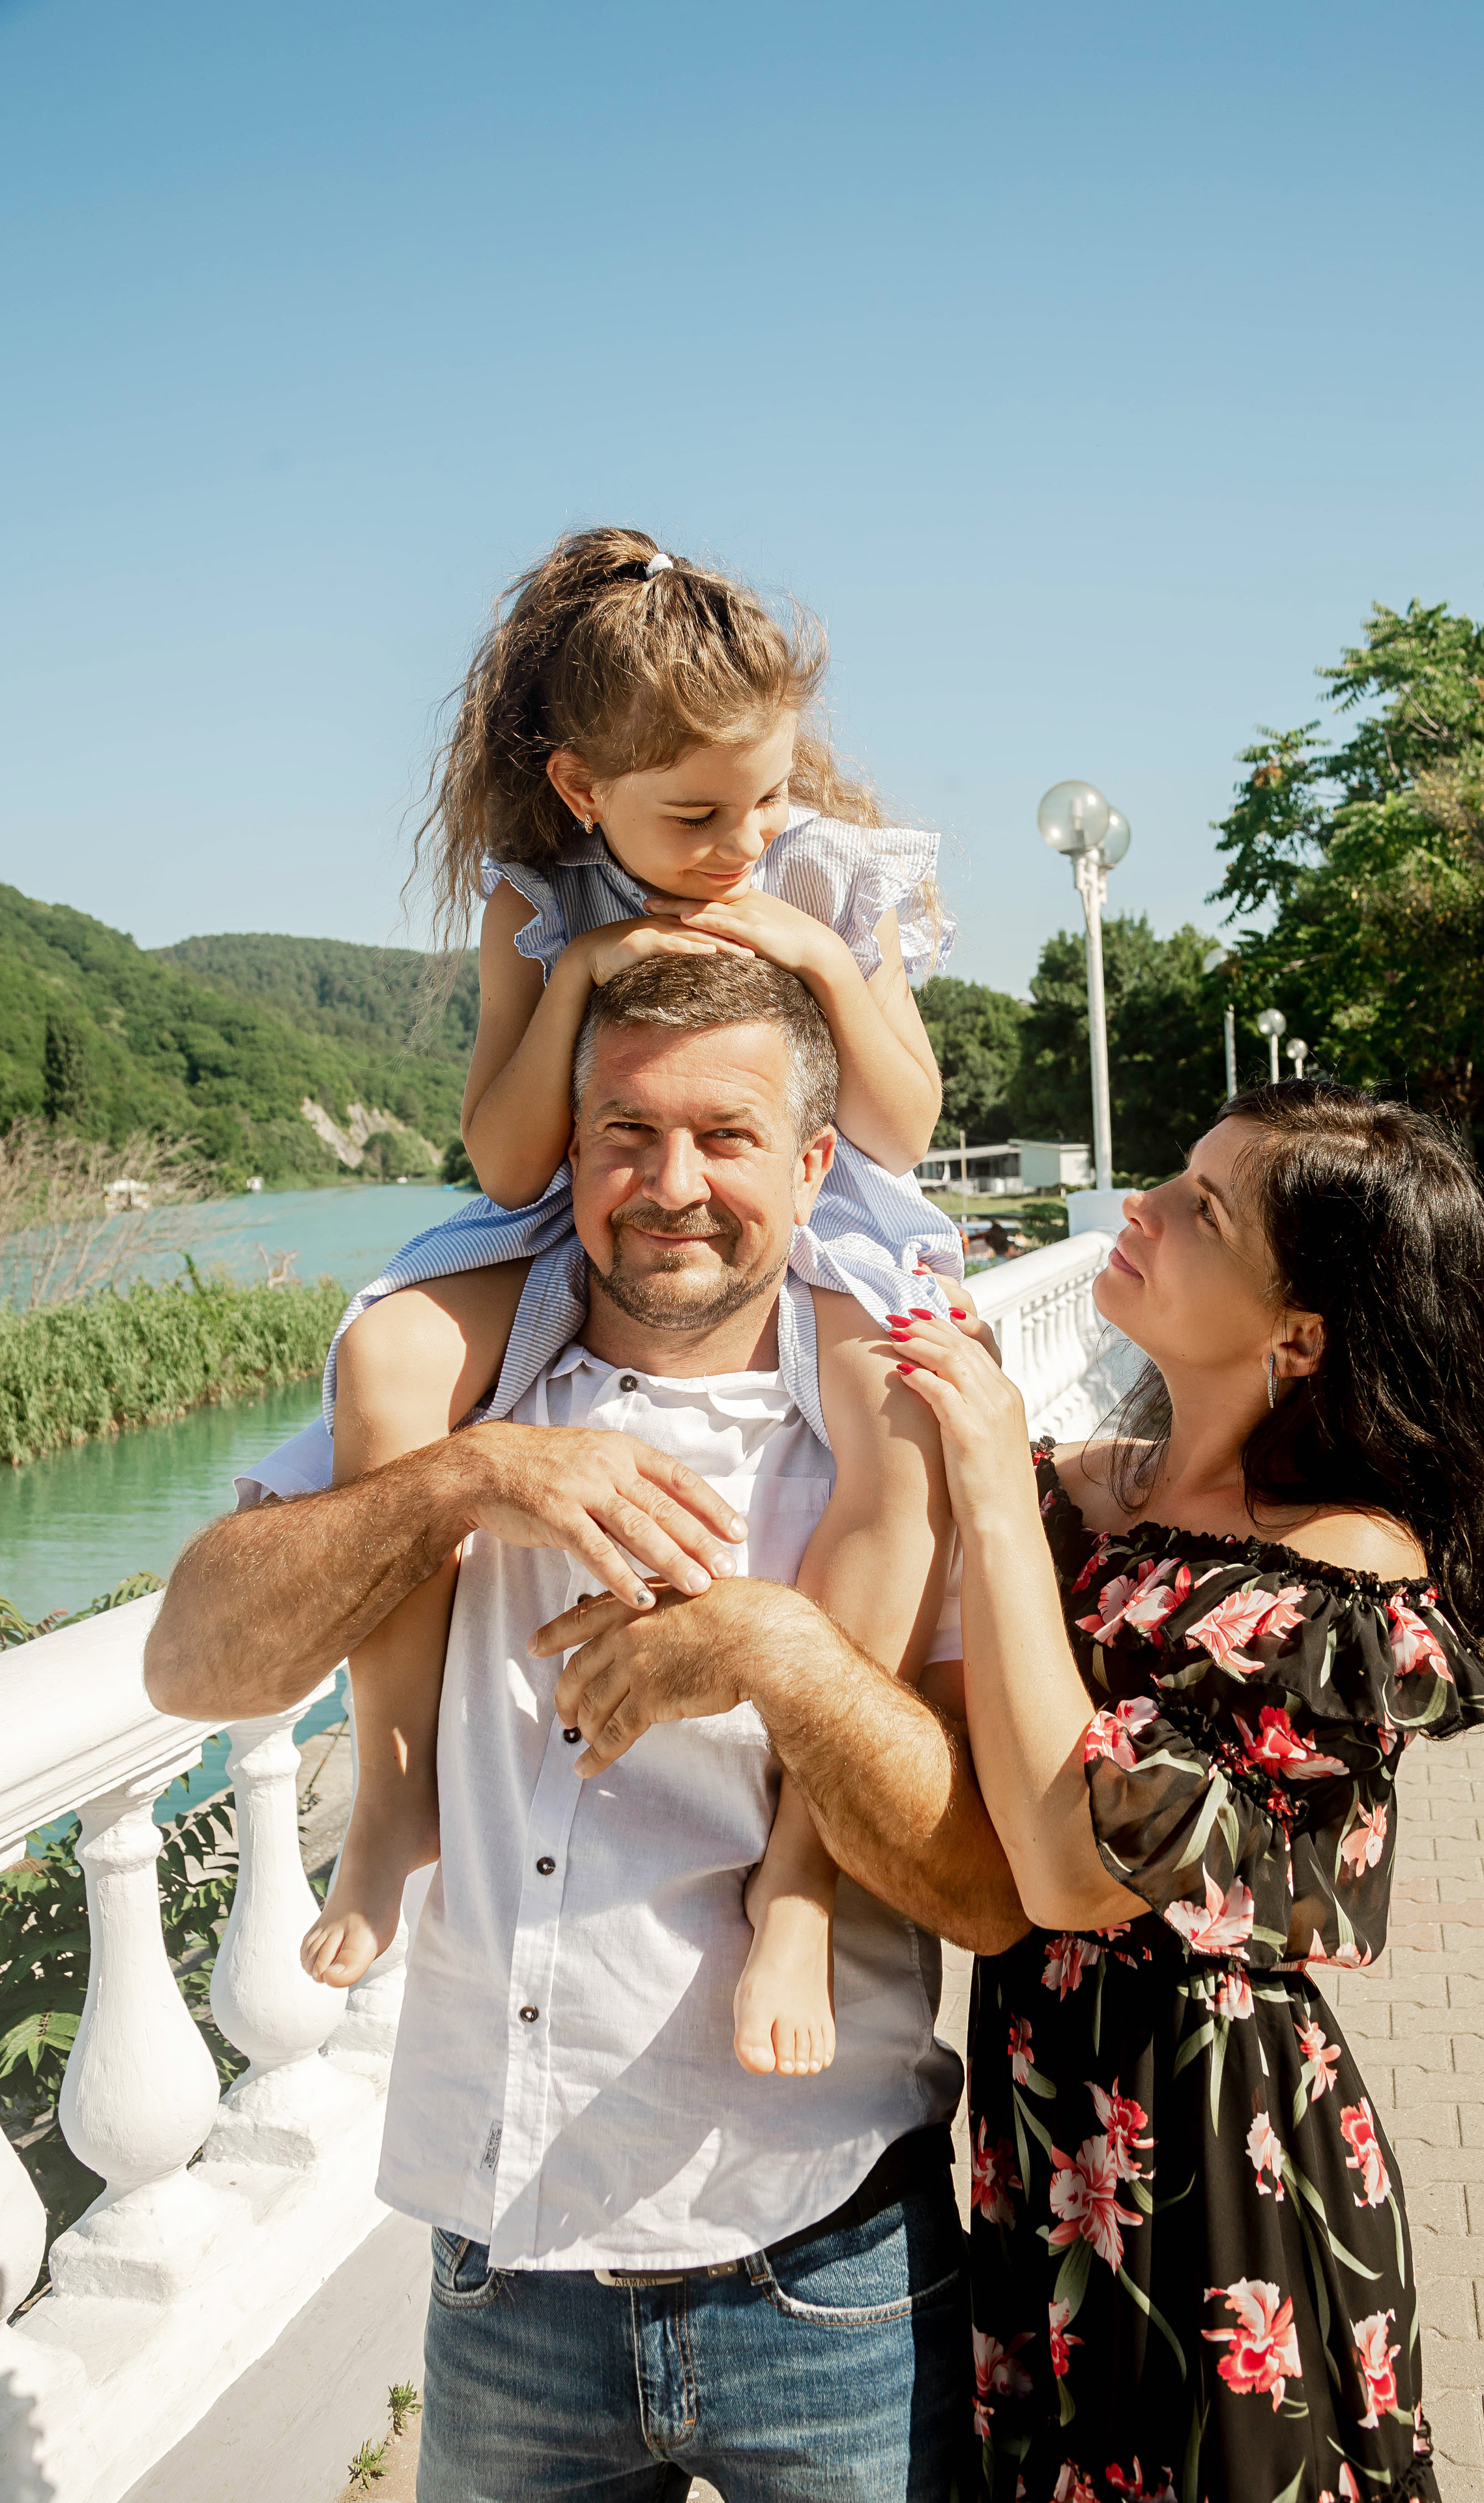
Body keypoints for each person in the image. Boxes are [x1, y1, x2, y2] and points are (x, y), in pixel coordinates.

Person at [146, 952, 1025, 2502]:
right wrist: (462, 1484)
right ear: (565, 1149)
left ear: (815, 1166)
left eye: (725, 1136)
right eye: (625, 1131)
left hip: (822, 2260)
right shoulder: (471, 1385)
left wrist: (771, 1647)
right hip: (507, 2274)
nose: (669, 1183)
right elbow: (191, 1668)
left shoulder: (884, 1421)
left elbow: (984, 1892)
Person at [298, 525, 968, 2092]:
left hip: (815, 1212)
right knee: (392, 1355)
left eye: (764, 796)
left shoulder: (810, 876)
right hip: (572, 1206)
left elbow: (904, 1124)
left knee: (896, 1419)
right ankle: (393, 1778)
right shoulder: (538, 901)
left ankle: (798, 1875)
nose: (739, 839)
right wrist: (588, 968)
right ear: (584, 790)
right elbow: (507, 1150)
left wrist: (818, 950)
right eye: (695, 814)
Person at [855, 1083, 1484, 2502]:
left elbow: (1065, 1865)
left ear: (1297, 1335)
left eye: (1200, 1209)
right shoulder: (1105, 1502)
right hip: (1044, 2120)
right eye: (1171, 1178)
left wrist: (995, 1489)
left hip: (1194, 2155)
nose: (1143, 1210)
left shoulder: (1336, 1576)